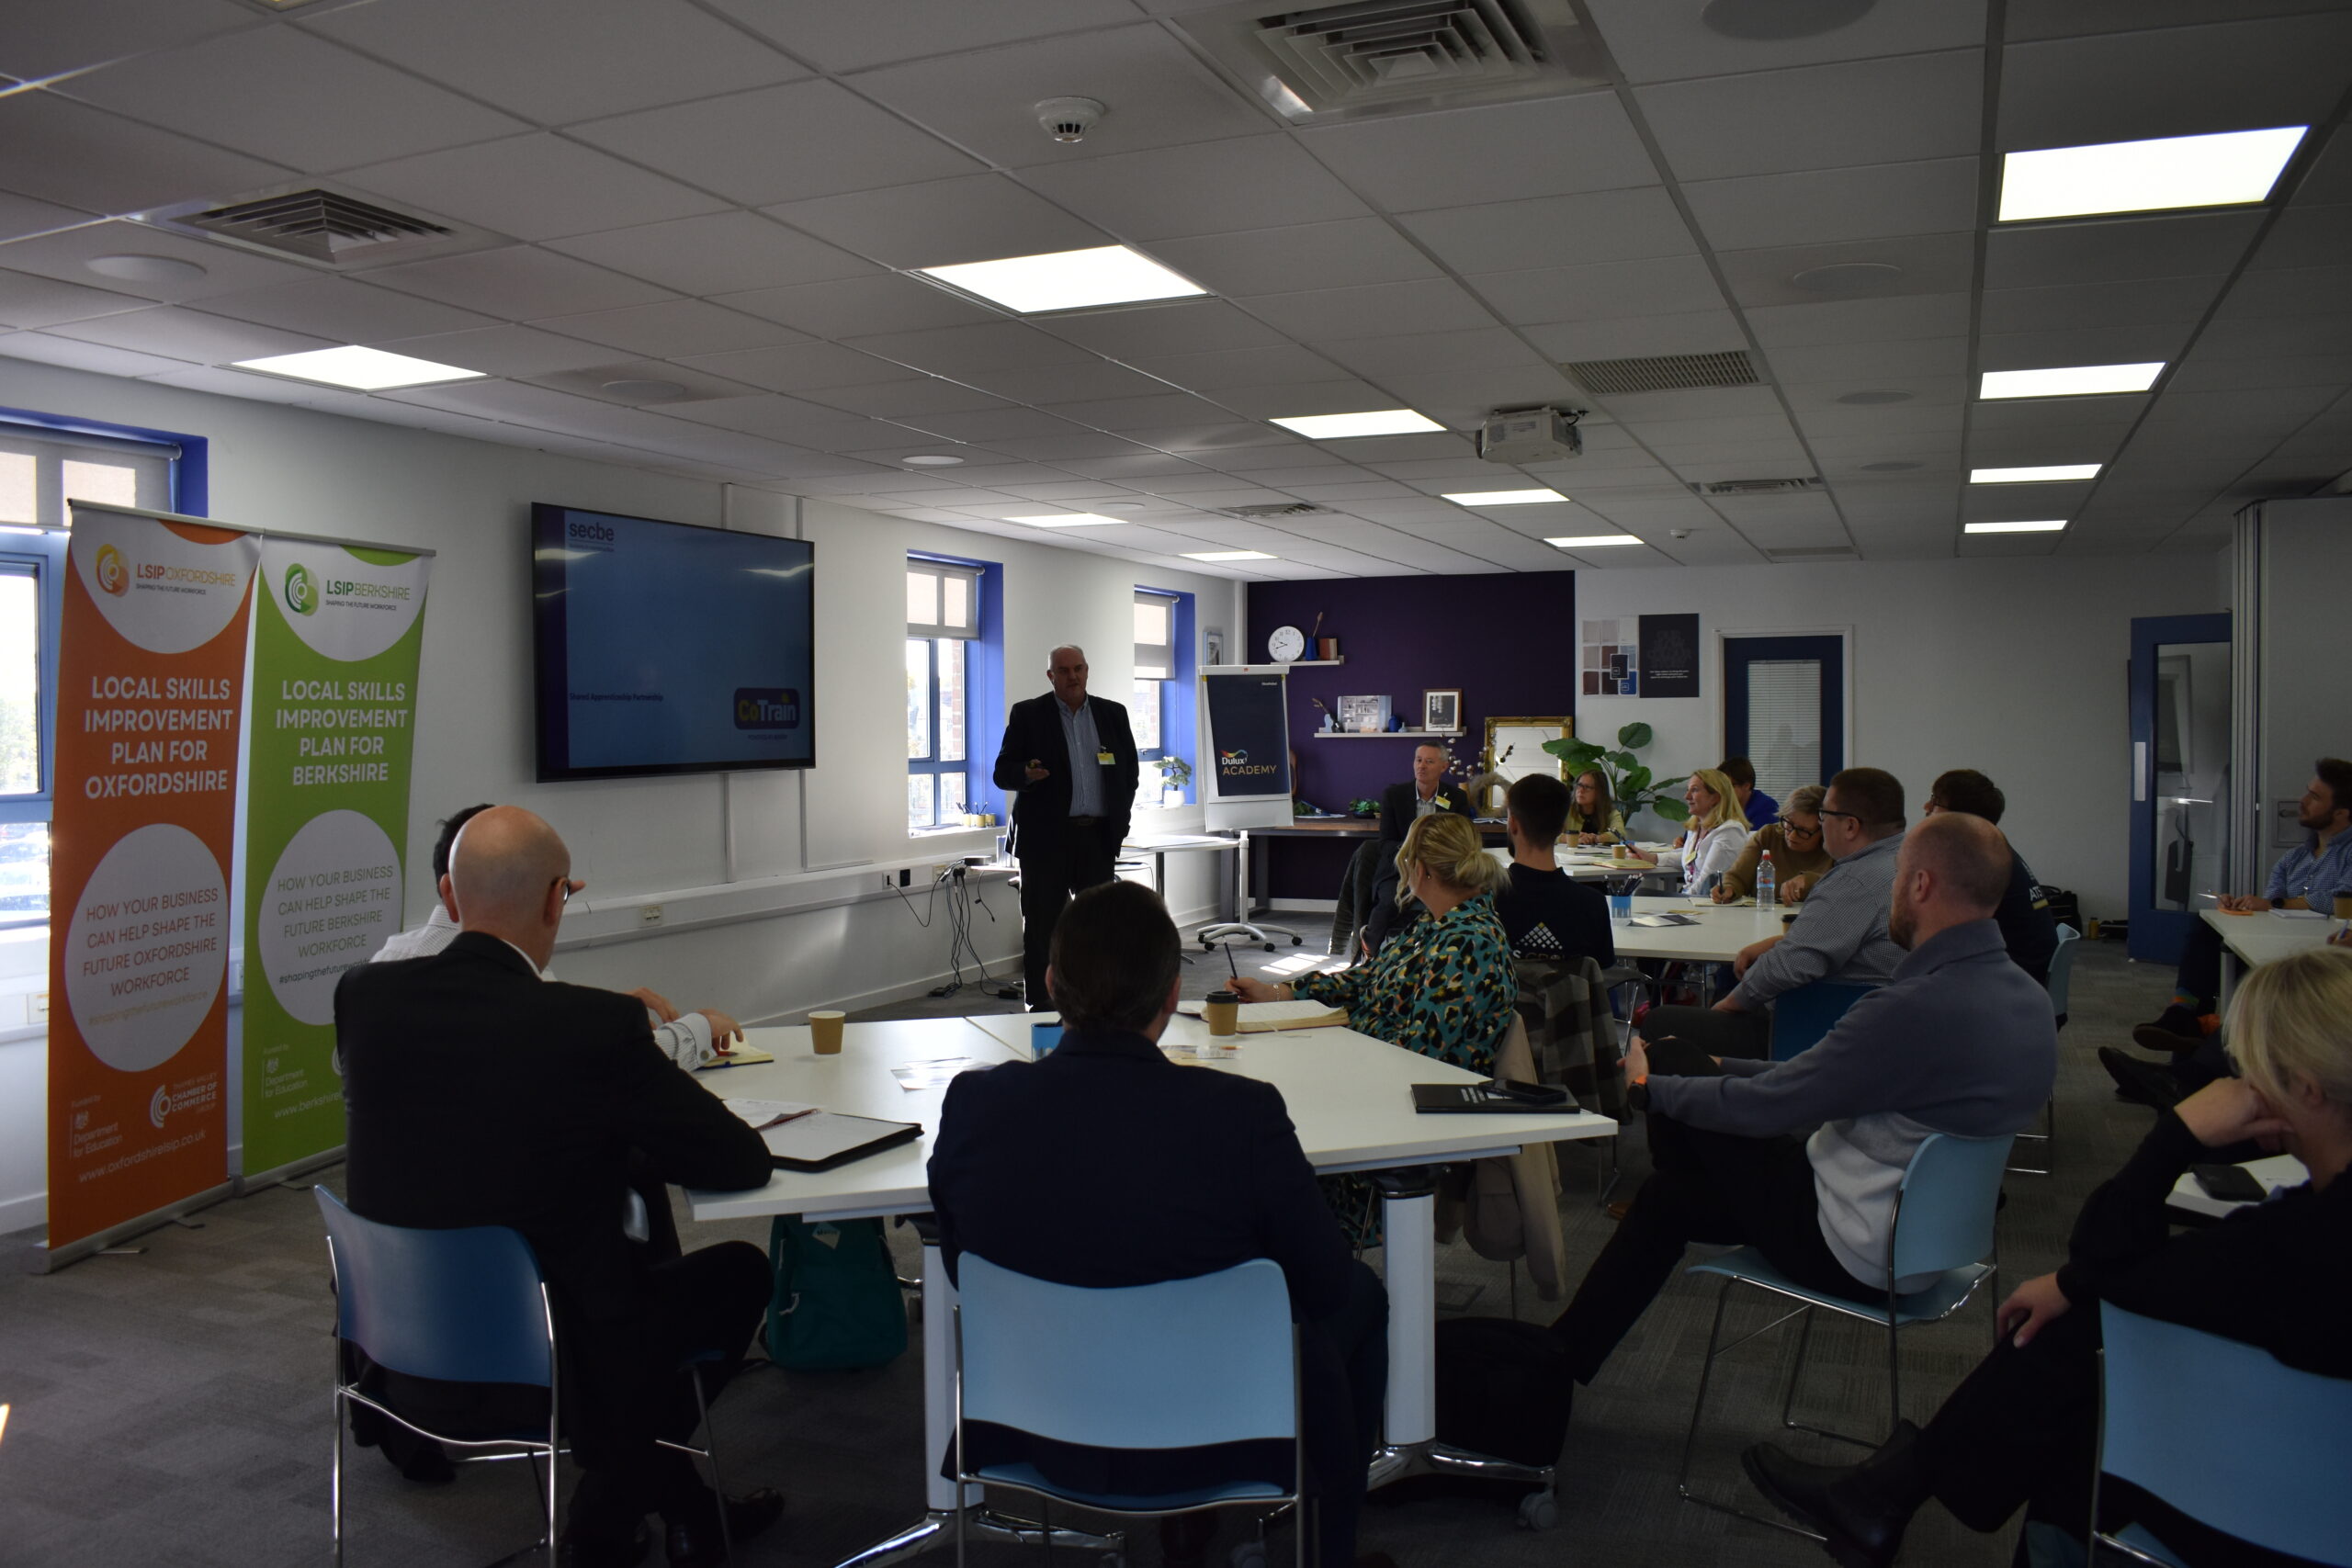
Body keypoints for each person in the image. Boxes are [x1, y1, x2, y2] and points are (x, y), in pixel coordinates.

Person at [1741, 945, 2352, 1568]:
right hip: (2313, 1477)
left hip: (2285, 1505)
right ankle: (1890, 1492)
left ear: (2305, 1087)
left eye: (2250, 1071)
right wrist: (2075, 1282)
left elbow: (2114, 1265)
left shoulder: (2301, 1243)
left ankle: (1891, 1493)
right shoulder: (2313, 1222)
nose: (2238, 1086)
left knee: (2078, 1344)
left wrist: (2176, 1137)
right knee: (2076, 1361)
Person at [336, 807, 782, 1568]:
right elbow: (740, 1161)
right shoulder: (590, 1026)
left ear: (450, 893)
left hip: (393, 1342)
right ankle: (604, 1520)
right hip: (544, 1362)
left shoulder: (363, 997)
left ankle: (676, 1506)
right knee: (739, 1270)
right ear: (554, 899)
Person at [927, 881, 1390, 1568]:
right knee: (1358, 1298)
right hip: (1222, 1429)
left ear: (1051, 983)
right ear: (1174, 995)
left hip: (1032, 1423)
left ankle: (1191, 1527)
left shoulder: (974, 1105)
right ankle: (1329, 1548)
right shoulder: (1242, 1115)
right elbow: (1323, 1285)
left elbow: (960, 1264)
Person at [1547, 813, 2056, 1395]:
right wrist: (1723, 1066)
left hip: (1850, 1244)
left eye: (1896, 877)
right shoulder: (2029, 1001)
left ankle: (1555, 1362)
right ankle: (1564, 1358)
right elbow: (1816, 1081)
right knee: (1670, 1193)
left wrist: (1647, 1089)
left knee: (1667, 1061)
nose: (1890, 891)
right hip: (1933, 1242)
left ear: (1920, 885)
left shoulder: (1911, 1009)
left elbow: (1774, 1108)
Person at [372, 801, 744, 1068]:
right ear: (553, 897)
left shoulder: (375, 977)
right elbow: (604, 1063)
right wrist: (699, 1028)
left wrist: (600, 1014)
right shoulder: (515, 981)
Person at [1641, 768, 1908, 1061]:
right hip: (1879, 1027)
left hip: (1817, 1033)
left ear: (1850, 826)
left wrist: (1727, 1005)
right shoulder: (1904, 864)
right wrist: (1774, 944)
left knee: (1662, 1022)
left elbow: (1791, 965)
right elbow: (1827, 939)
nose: (1821, 823)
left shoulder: (1851, 881)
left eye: (1824, 815)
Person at [1236, 812, 1517, 1073]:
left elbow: (1419, 1051)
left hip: (1415, 1086)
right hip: (1376, 1060)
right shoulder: (1435, 923)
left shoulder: (1469, 944)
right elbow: (1367, 977)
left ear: (1419, 870)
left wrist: (1337, 1037)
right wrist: (1278, 992)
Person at [2126, 759, 2352, 1058]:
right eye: (2307, 792)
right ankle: (2184, 1014)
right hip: (2280, 943)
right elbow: (2271, 901)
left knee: (2237, 979)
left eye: (2314, 797)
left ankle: (2191, 1038)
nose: (2303, 801)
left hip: (2319, 958)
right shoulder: (2296, 857)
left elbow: (2341, 901)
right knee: (2207, 926)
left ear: (2341, 812)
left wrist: (2274, 903)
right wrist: (2243, 905)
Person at [989, 645, 1140, 1010]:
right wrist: (1025, 774)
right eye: (1064, 670)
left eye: (1078, 669)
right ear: (1051, 676)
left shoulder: (1112, 714)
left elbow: (1129, 775)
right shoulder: (1028, 715)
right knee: (1042, 929)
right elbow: (1002, 772)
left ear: (1087, 671)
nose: (1072, 676)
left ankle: (1096, 1004)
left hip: (1097, 839)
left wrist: (1119, 825)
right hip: (1045, 842)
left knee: (1098, 928)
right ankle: (1040, 1007)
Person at [1921, 767, 2061, 985]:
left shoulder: (1974, 860)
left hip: (2012, 981)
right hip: (2026, 971)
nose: (1926, 807)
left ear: (1960, 816)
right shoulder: (1993, 848)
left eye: (1935, 801)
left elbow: (1943, 933)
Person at [1364, 742, 1477, 951]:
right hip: (1400, 868)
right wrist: (1415, 856)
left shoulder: (1456, 798)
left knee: (1459, 900)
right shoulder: (1394, 795)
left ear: (1443, 767)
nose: (1421, 766)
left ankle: (1443, 951)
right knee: (1388, 903)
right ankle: (1369, 950)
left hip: (1441, 869)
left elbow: (1460, 840)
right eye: (1418, 760)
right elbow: (1386, 843)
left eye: (1429, 761)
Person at [1493, 773, 1614, 966]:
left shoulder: (1486, 898)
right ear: (1562, 828)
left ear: (1513, 823)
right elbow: (1600, 973)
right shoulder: (1593, 905)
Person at [1626, 769, 1749, 896]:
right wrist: (1653, 858)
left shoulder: (1729, 832)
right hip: (1691, 897)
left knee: (1641, 896)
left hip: (1704, 901)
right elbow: (1694, 857)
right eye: (1688, 790)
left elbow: (1706, 882)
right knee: (1640, 894)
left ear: (1715, 797)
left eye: (1694, 790)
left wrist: (1680, 901)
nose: (1687, 796)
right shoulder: (1697, 826)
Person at [1713, 783, 1833, 905]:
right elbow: (1738, 876)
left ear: (1823, 830)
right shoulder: (1769, 835)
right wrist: (1729, 888)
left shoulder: (1835, 847)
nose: (1792, 835)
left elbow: (1841, 887)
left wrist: (1811, 881)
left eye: (1803, 830)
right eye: (1789, 823)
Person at [1565, 769, 1627, 844]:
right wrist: (1575, 839)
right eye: (1579, 785)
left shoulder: (1611, 813)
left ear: (1600, 792)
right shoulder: (1566, 809)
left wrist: (1597, 838)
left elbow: (1620, 833)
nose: (1581, 790)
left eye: (1587, 787)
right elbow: (1552, 835)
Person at [1719, 756, 1779, 830]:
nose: (1724, 791)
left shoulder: (1766, 807)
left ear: (1746, 785)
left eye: (1730, 786)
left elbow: (1758, 837)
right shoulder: (1725, 805)